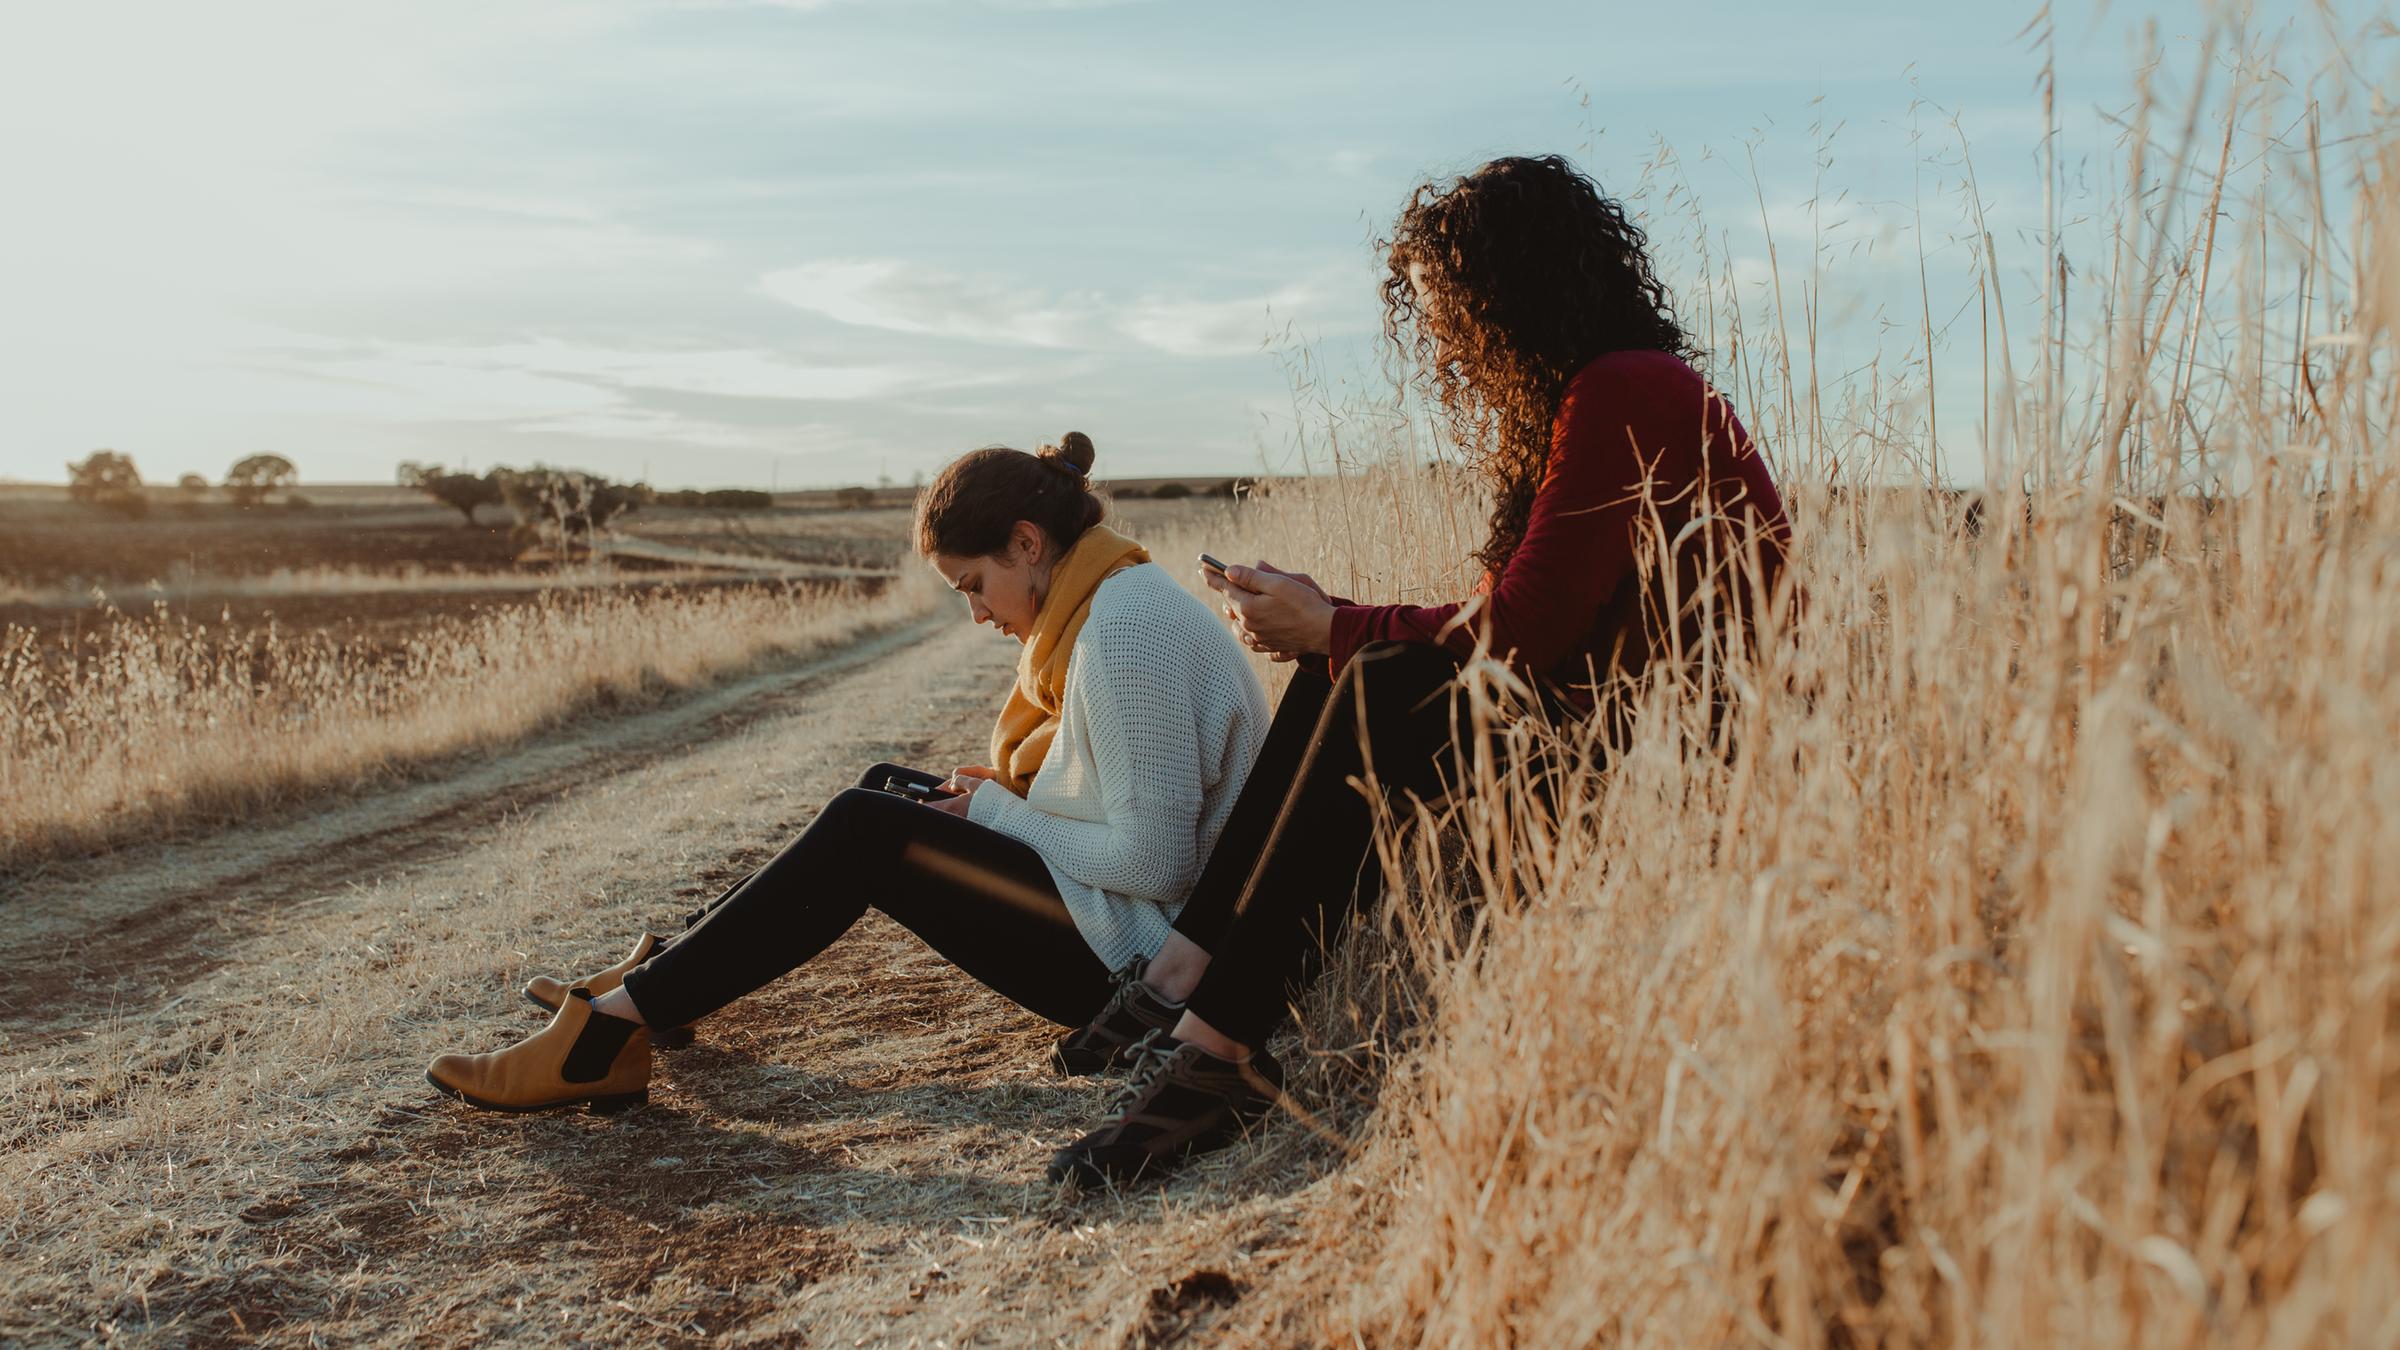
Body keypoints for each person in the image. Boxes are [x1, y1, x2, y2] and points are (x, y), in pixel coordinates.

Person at [1047, 155, 1795, 1187]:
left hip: (1694, 757)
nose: (1439, 341)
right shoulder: (1586, 399)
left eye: (1449, 311)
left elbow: (1520, 633)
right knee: (1357, 670)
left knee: (1380, 678)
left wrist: (1336, 625)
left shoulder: (1626, 389)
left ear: (1512, 290)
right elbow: (1518, 621)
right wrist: (1330, 624)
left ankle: (1219, 1052)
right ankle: (1187, 973)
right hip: (1611, 724)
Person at [424, 433, 1270, 1112]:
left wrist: (997, 814)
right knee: (883, 790)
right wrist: (996, 804)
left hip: (1146, 969)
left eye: (975, 584)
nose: (977, 613)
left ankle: (609, 1032)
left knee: (869, 831)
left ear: (1026, 542)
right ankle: (665, 980)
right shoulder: (1110, 604)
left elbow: (1159, 863)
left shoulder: (1124, 634)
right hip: (1127, 922)